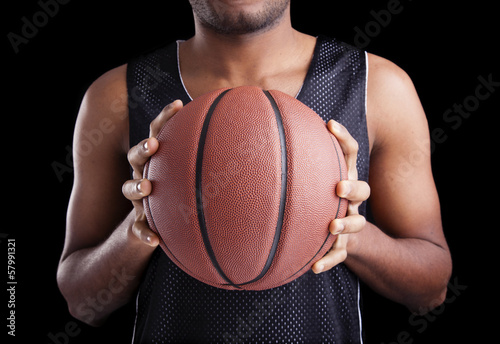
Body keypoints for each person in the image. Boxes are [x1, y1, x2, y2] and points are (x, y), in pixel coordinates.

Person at [57, 0, 452, 342]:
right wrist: (140, 227)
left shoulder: (377, 86)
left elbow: (431, 288)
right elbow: (81, 302)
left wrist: (349, 231)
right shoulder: (115, 95)